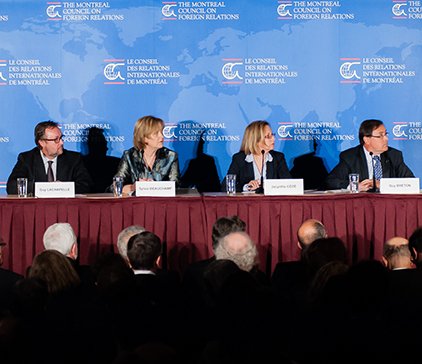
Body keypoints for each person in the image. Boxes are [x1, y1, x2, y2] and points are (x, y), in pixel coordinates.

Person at [325, 119, 414, 191]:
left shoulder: (394, 155)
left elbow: (411, 182)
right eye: (380, 136)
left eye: (386, 134)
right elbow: (331, 181)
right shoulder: (350, 156)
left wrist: (382, 184)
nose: (386, 138)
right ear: (367, 139)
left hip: (389, 204)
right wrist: (355, 186)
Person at [6, 120, 92, 195]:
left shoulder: (73, 159)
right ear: (42, 142)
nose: (61, 142)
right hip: (38, 208)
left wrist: (63, 188)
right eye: (56, 140)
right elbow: (12, 186)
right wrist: (46, 188)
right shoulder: (27, 159)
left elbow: (86, 185)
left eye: (61, 138)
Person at [114, 115, 180, 196]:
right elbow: (116, 186)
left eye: (161, 132)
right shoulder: (129, 155)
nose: (162, 136)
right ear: (144, 138)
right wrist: (133, 187)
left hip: (162, 203)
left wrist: (150, 187)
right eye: (156, 134)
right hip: (136, 204)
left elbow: (175, 186)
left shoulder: (171, 156)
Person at [222, 120, 291, 193]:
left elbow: (289, 184)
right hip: (248, 203)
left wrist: (270, 186)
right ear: (255, 140)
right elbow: (225, 186)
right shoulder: (240, 158)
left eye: (273, 135)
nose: (273, 139)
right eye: (268, 136)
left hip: (272, 202)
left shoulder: (278, 157)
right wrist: (247, 187)